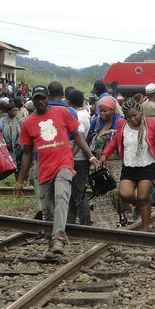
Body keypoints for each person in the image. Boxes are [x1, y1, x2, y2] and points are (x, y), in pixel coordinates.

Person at [14, 85, 99, 256]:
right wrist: (20, 180)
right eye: (36, 99)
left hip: (64, 164)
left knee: (62, 197)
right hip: (44, 169)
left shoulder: (62, 113)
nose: (40, 102)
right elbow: (27, 153)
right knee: (47, 210)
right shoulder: (28, 123)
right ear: (33, 100)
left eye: (42, 98)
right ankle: (51, 242)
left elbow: (77, 136)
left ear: (48, 98)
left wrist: (91, 156)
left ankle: (59, 238)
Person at [98, 98, 155, 231]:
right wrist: (104, 155)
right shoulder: (121, 124)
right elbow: (114, 142)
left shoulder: (151, 123)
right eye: (128, 117)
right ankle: (143, 206)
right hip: (129, 166)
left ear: (140, 112)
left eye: (135, 115)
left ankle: (145, 229)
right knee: (124, 193)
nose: (132, 119)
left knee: (143, 196)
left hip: (148, 165)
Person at [67, 90, 92, 225]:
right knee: (74, 193)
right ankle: (71, 222)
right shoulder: (85, 114)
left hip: (77, 158)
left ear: (69, 101)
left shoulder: (75, 115)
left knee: (78, 194)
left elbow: (79, 138)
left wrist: (70, 155)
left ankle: (85, 222)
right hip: (82, 158)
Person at [1, 103, 22, 175]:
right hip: (6, 148)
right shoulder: (2, 121)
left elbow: (21, 133)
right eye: (14, 110)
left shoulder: (18, 120)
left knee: (18, 164)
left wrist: (18, 141)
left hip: (17, 147)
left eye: (16, 110)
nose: (15, 112)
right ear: (8, 111)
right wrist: (5, 145)